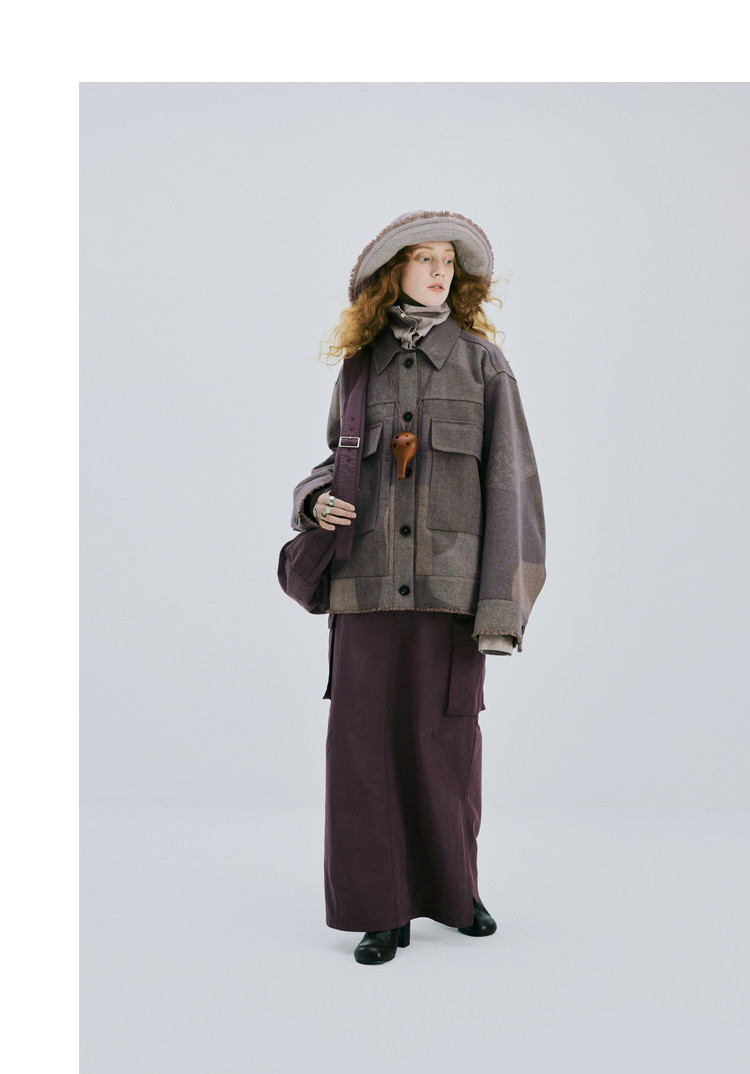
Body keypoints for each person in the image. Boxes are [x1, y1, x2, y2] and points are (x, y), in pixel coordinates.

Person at [290, 210, 547, 965]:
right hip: (364, 592)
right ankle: (381, 910)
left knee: (446, 748)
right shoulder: (357, 369)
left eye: (448, 261)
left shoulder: (484, 365)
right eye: (423, 258)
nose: (438, 271)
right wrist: (313, 501)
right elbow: (331, 460)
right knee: (362, 754)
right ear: (392, 272)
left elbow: (514, 492)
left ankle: (454, 892)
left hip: (450, 598)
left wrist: (501, 609)